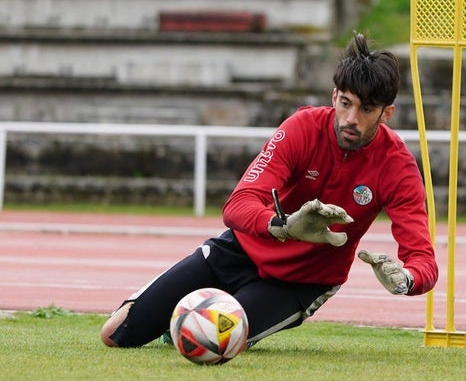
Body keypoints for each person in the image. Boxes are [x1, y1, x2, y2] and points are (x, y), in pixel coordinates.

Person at [100, 32, 438, 348]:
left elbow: (423, 258)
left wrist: (406, 279)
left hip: (299, 283)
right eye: (346, 103)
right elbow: (237, 205)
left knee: (206, 340)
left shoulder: (399, 167)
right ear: (334, 96)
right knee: (115, 335)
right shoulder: (302, 128)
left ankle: (193, 324)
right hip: (238, 252)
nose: (351, 118)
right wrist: (283, 226)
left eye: (366, 110)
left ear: (386, 113)